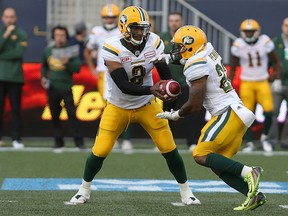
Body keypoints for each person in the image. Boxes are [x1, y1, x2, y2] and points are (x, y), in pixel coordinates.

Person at [69, 6, 200, 206]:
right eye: (136, 28)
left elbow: (164, 72)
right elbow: (123, 85)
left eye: (143, 28)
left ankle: (186, 192)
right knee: (100, 150)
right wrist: (152, 90)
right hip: (118, 106)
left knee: (169, 148)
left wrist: (170, 88)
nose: (141, 32)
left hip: (147, 105)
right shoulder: (112, 47)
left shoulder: (154, 41)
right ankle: (83, 190)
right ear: (124, 27)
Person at [156, 25, 266, 210]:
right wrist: (166, 58)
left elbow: (195, 105)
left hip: (227, 113)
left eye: (180, 46)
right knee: (217, 164)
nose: (176, 50)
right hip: (237, 111)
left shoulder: (196, 63)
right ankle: (254, 195)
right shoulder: (207, 49)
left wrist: (176, 114)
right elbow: (189, 58)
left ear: (190, 45)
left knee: (200, 155)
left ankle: (250, 171)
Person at [84, 4, 133, 151]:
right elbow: (87, 51)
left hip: (121, 71)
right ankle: (112, 139)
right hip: (104, 74)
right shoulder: (97, 31)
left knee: (126, 105)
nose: (109, 20)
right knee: (109, 107)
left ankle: (126, 139)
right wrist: (93, 69)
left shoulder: (121, 31)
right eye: (107, 17)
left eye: (112, 17)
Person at [230, 19, 281, 152]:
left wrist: (276, 77)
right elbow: (234, 65)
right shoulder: (238, 44)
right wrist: (229, 81)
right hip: (246, 82)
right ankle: (249, 142)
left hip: (262, 81)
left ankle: (264, 139)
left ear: (257, 31)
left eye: (251, 31)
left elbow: (276, 62)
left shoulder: (265, 41)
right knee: (247, 115)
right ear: (242, 32)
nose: (249, 34)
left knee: (269, 112)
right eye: (246, 31)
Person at [160, 12, 206, 151]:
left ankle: (192, 142)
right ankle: (166, 144)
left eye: (176, 20)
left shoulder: (189, 38)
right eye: (171, 20)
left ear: (182, 22)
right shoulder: (163, 38)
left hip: (186, 82)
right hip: (168, 83)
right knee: (166, 114)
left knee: (190, 114)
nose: (174, 23)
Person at [41, 25, 84, 150]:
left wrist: (68, 63)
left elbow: (77, 69)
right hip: (52, 87)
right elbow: (44, 65)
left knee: (72, 114)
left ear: (66, 37)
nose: (59, 38)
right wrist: (43, 77)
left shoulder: (71, 50)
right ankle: (58, 141)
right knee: (54, 115)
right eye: (57, 35)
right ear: (54, 37)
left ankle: (78, 141)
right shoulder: (48, 50)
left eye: (62, 35)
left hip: (66, 86)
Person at [0, 8, 27, 149]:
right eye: (6, 16)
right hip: (1, 76)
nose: (9, 19)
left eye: (11, 16)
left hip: (15, 77)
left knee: (16, 110)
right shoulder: (2, 33)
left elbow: (18, 53)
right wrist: (6, 35)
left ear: (15, 18)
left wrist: (2, 55)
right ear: (3, 18)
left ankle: (16, 139)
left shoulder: (21, 34)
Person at [268, 17, 288, 149]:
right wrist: (273, 77)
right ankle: (272, 140)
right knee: (272, 111)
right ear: (282, 26)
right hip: (278, 82)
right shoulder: (275, 42)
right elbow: (268, 63)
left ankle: (286, 141)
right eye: (286, 25)